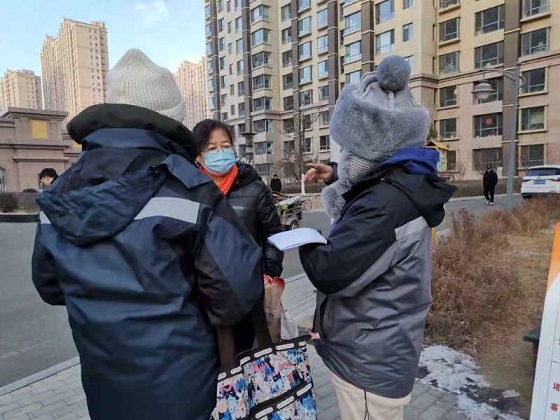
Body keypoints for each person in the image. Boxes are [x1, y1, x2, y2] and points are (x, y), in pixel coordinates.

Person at [31, 49, 263, 420]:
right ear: (171, 119)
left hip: (105, 385)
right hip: (185, 385)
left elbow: (50, 286)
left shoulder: (59, 194)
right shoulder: (189, 189)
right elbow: (236, 293)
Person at [299, 56, 456, 420]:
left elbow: (330, 272)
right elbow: (373, 180)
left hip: (368, 363)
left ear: (369, 152)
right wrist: (336, 175)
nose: (343, 158)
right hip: (381, 348)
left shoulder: (383, 207)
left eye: (348, 150)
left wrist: (304, 239)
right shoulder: (404, 185)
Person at [192, 119, 284, 349]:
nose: (220, 152)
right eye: (212, 148)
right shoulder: (190, 190)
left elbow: (274, 233)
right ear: (198, 156)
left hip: (248, 293)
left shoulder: (254, 188)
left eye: (225, 146)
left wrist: (268, 272)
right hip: (204, 296)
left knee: (249, 354)